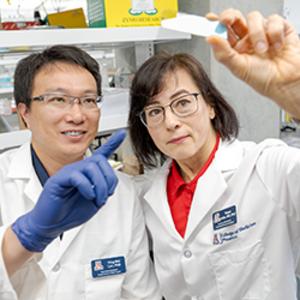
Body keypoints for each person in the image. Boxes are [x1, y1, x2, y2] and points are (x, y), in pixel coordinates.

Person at [128, 11, 300, 300]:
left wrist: (295, 96)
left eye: (182, 103)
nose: (170, 121)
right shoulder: (146, 195)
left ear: (210, 106)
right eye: (155, 112)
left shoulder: (267, 167)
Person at [0, 45, 160, 300]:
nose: (77, 115)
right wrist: (25, 236)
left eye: (88, 100)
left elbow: (141, 294)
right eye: (58, 99)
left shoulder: (122, 192)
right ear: (24, 113)